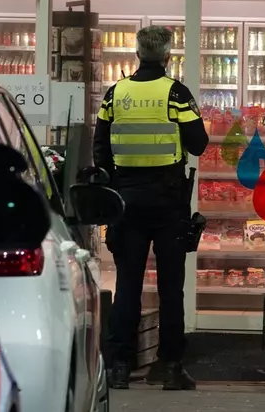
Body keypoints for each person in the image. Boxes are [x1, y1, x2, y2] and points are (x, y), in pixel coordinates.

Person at [93, 25, 209, 391]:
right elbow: (199, 144)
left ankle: (119, 367)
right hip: (168, 203)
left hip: (126, 203)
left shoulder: (116, 94)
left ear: (137, 54)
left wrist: (116, 183)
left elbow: (100, 147)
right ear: (167, 56)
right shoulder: (175, 93)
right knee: (171, 288)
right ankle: (171, 366)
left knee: (128, 284)